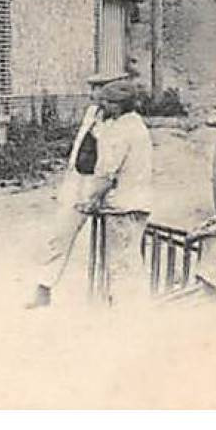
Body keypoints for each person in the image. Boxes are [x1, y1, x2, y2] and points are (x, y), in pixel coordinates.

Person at [25, 91, 105, 309]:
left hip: (100, 182)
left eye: (97, 88)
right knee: (59, 235)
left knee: (109, 242)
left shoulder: (116, 121)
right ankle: (44, 288)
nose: (92, 93)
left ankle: (107, 297)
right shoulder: (91, 112)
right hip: (77, 181)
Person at [78, 78, 153, 306]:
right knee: (132, 262)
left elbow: (106, 174)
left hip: (121, 207)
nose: (102, 107)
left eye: (106, 102)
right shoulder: (137, 125)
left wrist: (90, 200)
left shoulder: (120, 131)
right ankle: (137, 311)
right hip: (139, 204)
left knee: (119, 267)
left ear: (117, 105)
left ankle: (122, 317)